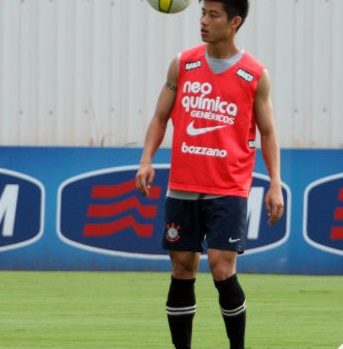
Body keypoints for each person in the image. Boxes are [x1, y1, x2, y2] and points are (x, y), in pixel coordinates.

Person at [135, 0, 284, 348]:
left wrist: (275, 182)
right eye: (202, 12)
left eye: (212, 15)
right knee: (182, 269)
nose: (203, 21)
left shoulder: (254, 74)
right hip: (183, 185)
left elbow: (268, 132)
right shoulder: (182, 64)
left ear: (234, 22)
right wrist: (146, 159)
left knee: (220, 267)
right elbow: (160, 117)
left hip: (228, 187)